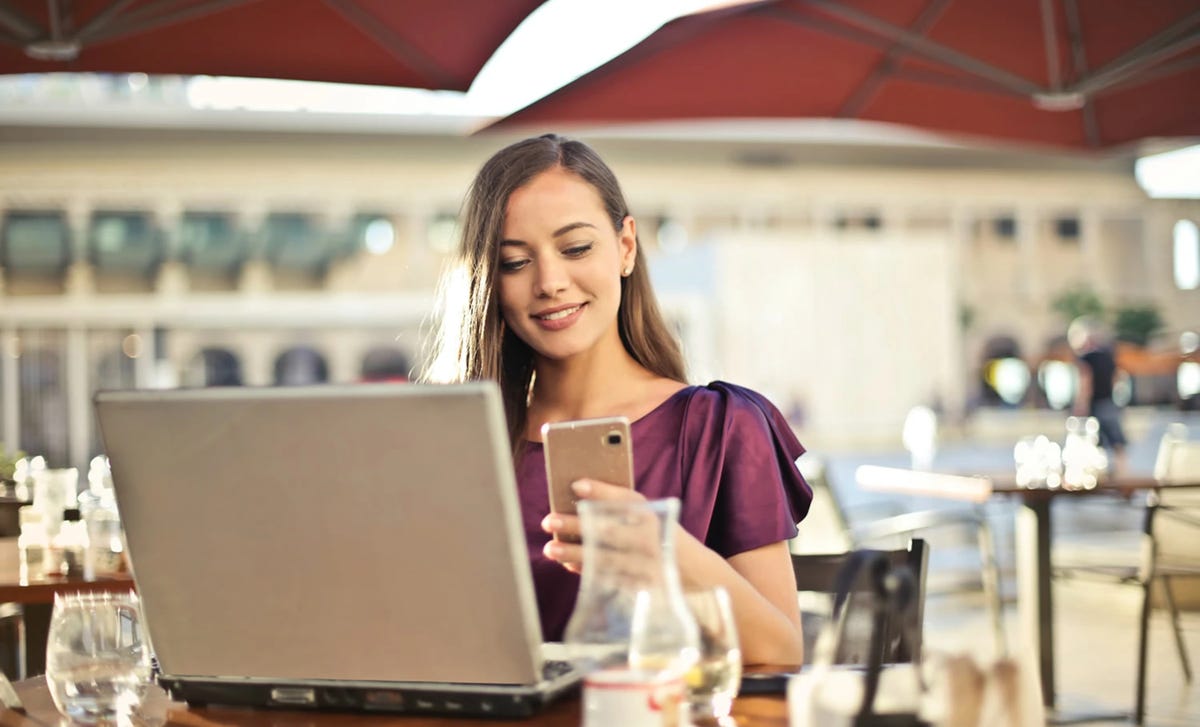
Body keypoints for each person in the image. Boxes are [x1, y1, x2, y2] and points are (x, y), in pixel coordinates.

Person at [424, 134, 812, 665]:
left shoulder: (720, 426)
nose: (550, 282)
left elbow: (783, 650)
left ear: (625, 247)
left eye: (575, 249)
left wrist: (666, 553)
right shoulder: (456, 443)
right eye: (514, 262)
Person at [1069, 316, 1128, 474]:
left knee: (1090, 439)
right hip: (1108, 402)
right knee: (1116, 441)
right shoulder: (1108, 356)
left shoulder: (1086, 359)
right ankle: (1122, 472)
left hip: (1094, 404)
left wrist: (1080, 405)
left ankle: (1092, 473)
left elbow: (1086, 382)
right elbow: (1117, 378)